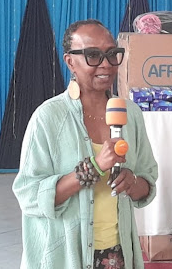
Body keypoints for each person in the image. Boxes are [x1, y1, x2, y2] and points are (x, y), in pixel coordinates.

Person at [13, 19, 158, 269]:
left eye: (112, 54)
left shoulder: (130, 114)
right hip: (66, 256)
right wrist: (92, 168)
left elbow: (147, 183)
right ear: (70, 61)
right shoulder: (48, 117)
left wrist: (133, 183)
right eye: (93, 55)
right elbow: (29, 196)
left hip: (118, 253)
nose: (106, 64)